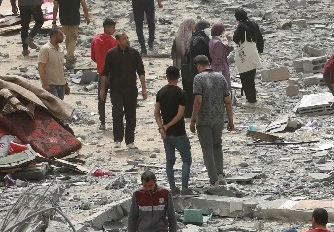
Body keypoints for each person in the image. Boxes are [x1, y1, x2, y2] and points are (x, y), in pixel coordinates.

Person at [189, 54, 234, 186]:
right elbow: (227, 101)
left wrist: (193, 120)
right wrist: (230, 120)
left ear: (198, 66)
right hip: (219, 119)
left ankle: (213, 179)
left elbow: (198, 101)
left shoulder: (198, 78)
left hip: (204, 120)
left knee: (207, 149)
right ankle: (220, 175)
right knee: (217, 146)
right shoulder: (220, 77)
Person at [100, 31, 147, 149]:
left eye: (127, 38)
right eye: (124, 39)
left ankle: (130, 141)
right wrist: (102, 89)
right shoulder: (111, 53)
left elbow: (141, 72)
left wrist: (144, 89)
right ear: (118, 41)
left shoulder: (134, 53)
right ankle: (117, 139)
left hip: (131, 89)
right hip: (116, 89)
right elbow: (104, 72)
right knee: (117, 112)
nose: (127, 40)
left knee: (131, 114)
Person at [155, 66, 192, 194]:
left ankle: (173, 187)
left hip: (167, 134)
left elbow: (156, 113)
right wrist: (167, 126)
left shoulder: (160, 92)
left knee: (169, 161)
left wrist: (162, 127)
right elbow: (180, 115)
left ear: (167, 77)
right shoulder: (181, 93)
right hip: (179, 132)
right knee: (186, 160)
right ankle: (185, 188)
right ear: (178, 77)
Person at [51, 0, 90, 69]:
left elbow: (55, 8)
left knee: (67, 37)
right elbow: (84, 6)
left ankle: (70, 55)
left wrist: (54, 21)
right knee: (73, 38)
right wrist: (87, 17)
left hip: (63, 18)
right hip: (74, 18)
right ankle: (69, 57)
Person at [91, 18, 118, 131]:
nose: (114, 29)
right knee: (115, 99)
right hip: (112, 73)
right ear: (107, 27)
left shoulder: (95, 40)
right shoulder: (113, 41)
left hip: (101, 73)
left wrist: (100, 63)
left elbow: (93, 57)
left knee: (101, 98)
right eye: (112, 27)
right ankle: (116, 121)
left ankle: (102, 123)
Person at [232, 9, 264, 104]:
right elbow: (260, 38)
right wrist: (260, 50)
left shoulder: (241, 26)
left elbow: (235, 39)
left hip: (245, 55)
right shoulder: (253, 24)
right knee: (251, 76)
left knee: (245, 77)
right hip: (253, 52)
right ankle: (252, 97)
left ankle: (250, 99)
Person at [37, 27, 68, 99]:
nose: (63, 36)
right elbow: (41, 67)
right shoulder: (45, 49)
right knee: (54, 106)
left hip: (61, 84)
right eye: (60, 35)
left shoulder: (61, 49)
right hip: (51, 84)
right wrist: (45, 84)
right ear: (54, 36)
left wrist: (66, 84)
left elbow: (61, 67)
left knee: (60, 106)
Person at [209, 23, 234, 89]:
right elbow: (220, 57)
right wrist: (220, 71)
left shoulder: (212, 41)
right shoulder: (217, 43)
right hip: (221, 68)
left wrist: (229, 42)